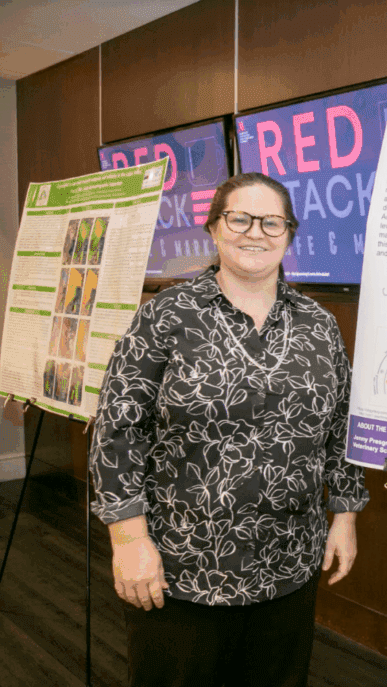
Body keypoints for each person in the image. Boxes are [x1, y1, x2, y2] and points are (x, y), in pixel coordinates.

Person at [89, 172, 369, 687]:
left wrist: (345, 515)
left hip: (289, 566)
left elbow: (340, 426)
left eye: (271, 222)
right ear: (214, 230)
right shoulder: (166, 316)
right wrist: (128, 540)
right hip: (181, 570)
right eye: (239, 219)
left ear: (288, 233)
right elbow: (118, 431)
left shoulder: (318, 324)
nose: (255, 232)